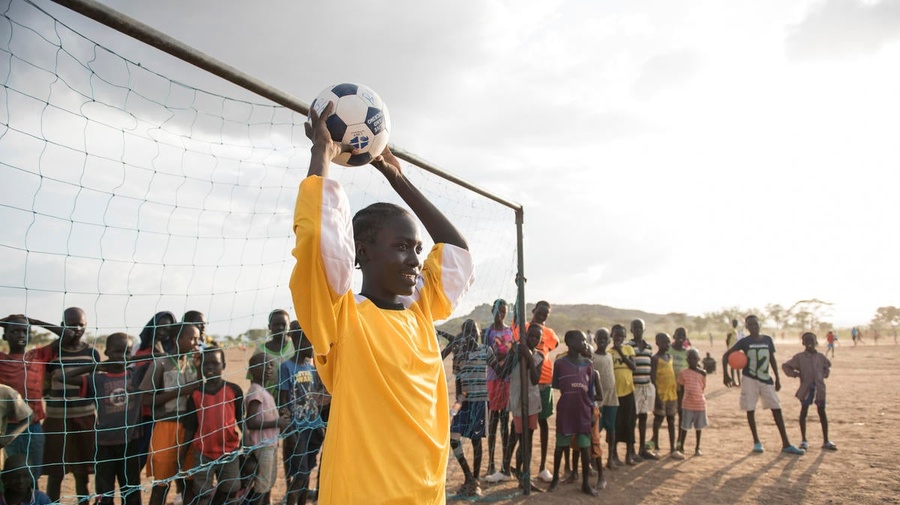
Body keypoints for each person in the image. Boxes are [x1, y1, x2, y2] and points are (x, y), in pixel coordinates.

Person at [290, 101, 474, 504]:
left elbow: (458, 254)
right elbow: (317, 239)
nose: (415, 259)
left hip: (426, 494)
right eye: (402, 246)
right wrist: (322, 154)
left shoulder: (420, 311)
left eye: (418, 248)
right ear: (362, 252)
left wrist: (398, 179)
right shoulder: (341, 316)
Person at [52, 333, 142, 505]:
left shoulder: (135, 375)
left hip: (130, 442)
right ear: (106, 352)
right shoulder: (97, 379)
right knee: (104, 494)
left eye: (127, 352)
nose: (122, 356)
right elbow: (61, 377)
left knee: (131, 491)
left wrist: (131, 358)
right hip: (104, 444)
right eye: (117, 352)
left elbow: (159, 357)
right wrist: (96, 366)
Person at [39, 307, 100, 503]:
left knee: (82, 473)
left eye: (81, 325)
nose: (77, 329)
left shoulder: (91, 353)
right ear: (62, 326)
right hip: (57, 419)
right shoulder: (52, 353)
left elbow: (95, 386)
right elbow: (44, 386)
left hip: (85, 418)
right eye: (71, 325)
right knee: (55, 473)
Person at [723, 315, 805, 455]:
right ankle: (757, 442)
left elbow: (772, 359)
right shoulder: (744, 341)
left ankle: (786, 443)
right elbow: (726, 355)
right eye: (750, 325)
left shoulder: (767, 340)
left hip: (765, 379)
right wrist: (726, 374)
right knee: (750, 409)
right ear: (747, 327)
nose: (753, 327)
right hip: (749, 379)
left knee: (776, 408)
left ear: (759, 324)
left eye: (755, 324)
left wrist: (777, 378)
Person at [140, 323, 201, 505]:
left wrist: (200, 368)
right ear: (177, 339)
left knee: (190, 483)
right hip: (166, 427)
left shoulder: (195, 362)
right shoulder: (160, 364)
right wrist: (181, 391)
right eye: (192, 338)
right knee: (162, 484)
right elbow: (145, 399)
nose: (196, 342)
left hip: (191, 427)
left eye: (198, 338)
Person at [182, 345, 244, 505]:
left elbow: (240, 420)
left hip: (229, 450)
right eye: (206, 364)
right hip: (203, 452)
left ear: (223, 365)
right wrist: (181, 455)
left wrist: (247, 442)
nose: (210, 367)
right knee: (202, 494)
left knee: (231, 491)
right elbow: (190, 428)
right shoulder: (196, 394)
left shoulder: (234, 390)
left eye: (215, 363)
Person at [279, 328, 327, 505]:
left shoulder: (311, 368)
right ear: (297, 340)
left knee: (306, 472)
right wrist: (289, 430)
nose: (312, 346)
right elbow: (283, 401)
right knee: (300, 474)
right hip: (297, 428)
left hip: (313, 427)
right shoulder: (286, 367)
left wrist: (319, 425)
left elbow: (314, 397)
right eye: (308, 342)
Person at [548, 331, 598, 497]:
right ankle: (555, 478)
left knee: (585, 447)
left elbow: (590, 391)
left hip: (584, 410)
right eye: (581, 340)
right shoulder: (560, 363)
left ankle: (585, 483)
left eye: (585, 340)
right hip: (566, 410)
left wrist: (592, 412)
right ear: (569, 341)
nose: (585, 343)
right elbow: (557, 385)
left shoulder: (588, 364)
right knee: (560, 446)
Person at [448, 319, 492, 497]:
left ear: (479, 334)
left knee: (476, 441)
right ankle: (469, 476)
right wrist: (458, 405)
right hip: (465, 402)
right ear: (463, 335)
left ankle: (475, 480)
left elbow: (499, 368)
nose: (472, 335)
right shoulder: (459, 355)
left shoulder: (485, 351)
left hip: (480, 401)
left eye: (475, 331)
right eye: (468, 332)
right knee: (453, 438)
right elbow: (458, 382)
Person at [0, 315, 47, 478]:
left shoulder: (38, 356)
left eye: (24, 331)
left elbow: (67, 335)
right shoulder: (1, 359)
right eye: (14, 331)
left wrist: (35, 321)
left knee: (33, 475)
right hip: (6, 428)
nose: (20, 335)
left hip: (33, 426)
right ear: (5, 336)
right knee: (8, 475)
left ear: (30, 335)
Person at [244, 354, 289, 505]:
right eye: (264, 364)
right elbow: (251, 422)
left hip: (270, 444)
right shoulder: (255, 391)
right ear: (252, 369)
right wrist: (277, 422)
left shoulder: (263, 391)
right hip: (262, 445)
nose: (269, 368)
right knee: (262, 484)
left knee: (268, 481)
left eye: (271, 365)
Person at [782, 332, 837, 451]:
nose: (809, 343)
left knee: (822, 412)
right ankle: (804, 440)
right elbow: (786, 366)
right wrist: (796, 374)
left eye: (811, 340)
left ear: (816, 342)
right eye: (807, 341)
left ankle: (826, 440)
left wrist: (824, 374)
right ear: (803, 343)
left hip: (820, 389)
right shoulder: (799, 357)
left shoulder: (821, 357)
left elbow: (827, 367)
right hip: (806, 389)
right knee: (804, 412)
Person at [506, 323, 544, 491]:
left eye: (537, 337)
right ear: (526, 335)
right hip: (518, 401)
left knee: (528, 439)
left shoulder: (539, 356)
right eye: (531, 335)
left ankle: (524, 474)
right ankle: (521, 474)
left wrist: (529, 356)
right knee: (521, 439)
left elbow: (535, 379)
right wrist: (515, 353)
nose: (534, 339)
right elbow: (506, 370)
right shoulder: (516, 351)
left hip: (532, 402)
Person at [483, 299, 515, 483]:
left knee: (505, 422)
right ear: (492, 311)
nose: (500, 314)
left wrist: (505, 369)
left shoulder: (510, 331)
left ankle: (505, 463)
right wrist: (499, 368)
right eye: (497, 311)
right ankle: (491, 463)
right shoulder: (487, 332)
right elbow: (486, 354)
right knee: (493, 421)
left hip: (507, 379)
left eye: (503, 311)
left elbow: (512, 354)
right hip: (493, 379)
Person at [628, 319, 657, 461]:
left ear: (644, 329)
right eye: (635, 328)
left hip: (646, 387)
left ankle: (642, 449)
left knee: (644, 417)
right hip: (633, 387)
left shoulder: (649, 347)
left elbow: (650, 368)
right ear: (631, 330)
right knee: (632, 419)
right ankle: (631, 450)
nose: (638, 330)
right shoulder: (628, 346)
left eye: (640, 327)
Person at [591, 328, 619, 470]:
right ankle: (594, 459)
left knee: (611, 429)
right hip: (598, 398)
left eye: (605, 339)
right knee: (596, 431)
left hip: (611, 398)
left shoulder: (610, 356)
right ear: (595, 340)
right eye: (599, 338)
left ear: (609, 341)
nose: (602, 341)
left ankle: (610, 458)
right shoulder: (592, 358)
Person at [610, 324, 637, 465]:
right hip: (614, 394)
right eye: (616, 335)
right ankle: (613, 455)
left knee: (629, 423)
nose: (619, 338)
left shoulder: (628, 349)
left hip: (628, 392)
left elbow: (633, 366)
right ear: (612, 336)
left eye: (621, 335)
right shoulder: (608, 353)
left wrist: (621, 352)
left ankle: (628, 455)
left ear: (625, 337)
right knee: (614, 424)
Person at [675, 349, 708, 458]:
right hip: (687, 404)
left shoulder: (702, 373)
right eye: (690, 358)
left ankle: (697, 447)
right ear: (687, 360)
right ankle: (681, 446)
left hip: (699, 404)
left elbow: (702, 387)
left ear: (698, 359)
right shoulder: (683, 373)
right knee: (684, 426)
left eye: (695, 358)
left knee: (699, 427)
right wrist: (680, 403)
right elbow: (681, 390)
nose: (693, 360)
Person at [650, 333, 678, 458]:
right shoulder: (655, 359)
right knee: (658, 420)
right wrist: (656, 395)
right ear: (657, 343)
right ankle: (656, 447)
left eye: (668, 342)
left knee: (671, 420)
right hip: (661, 394)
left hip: (671, 394)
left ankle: (673, 448)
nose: (667, 344)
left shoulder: (670, 357)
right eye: (664, 342)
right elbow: (653, 378)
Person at [256, 310, 295, 396]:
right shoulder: (260, 351)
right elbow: (254, 381)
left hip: (293, 400)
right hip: (268, 400)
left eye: (283, 324)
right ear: (269, 327)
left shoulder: (295, 347)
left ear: (289, 326)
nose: (280, 327)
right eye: (276, 324)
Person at [669, 327, 689, 447]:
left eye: (683, 335)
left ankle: (680, 441)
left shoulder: (687, 353)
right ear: (674, 336)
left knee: (682, 414)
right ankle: (654, 439)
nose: (681, 337)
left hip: (682, 389)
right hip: (668, 388)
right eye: (678, 334)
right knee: (668, 415)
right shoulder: (668, 350)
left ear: (686, 338)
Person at [725, 319, 742, 386]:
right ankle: (733, 381)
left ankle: (739, 381)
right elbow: (727, 339)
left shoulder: (736, 330)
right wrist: (728, 348)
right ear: (732, 323)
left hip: (736, 349)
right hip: (731, 349)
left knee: (737, 365)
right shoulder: (731, 330)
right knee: (732, 365)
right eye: (734, 323)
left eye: (736, 323)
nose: (735, 324)